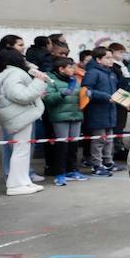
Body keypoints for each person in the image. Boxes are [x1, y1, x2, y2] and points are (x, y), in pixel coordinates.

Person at [0, 43, 49, 196]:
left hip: (16, 115)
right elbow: (20, 95)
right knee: (21, 150)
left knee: (21, 150)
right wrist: (39, 81)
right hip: (20, 115)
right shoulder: (15, 73)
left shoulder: (3, 74)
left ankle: (23, 181)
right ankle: (16, 184)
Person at [43, 56, 88, 186]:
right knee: (61, 146)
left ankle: (72, 170)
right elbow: (48, 99)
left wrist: (86, 95)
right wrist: (62, 94)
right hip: (60, 118)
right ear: (61, 69)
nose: (73, 69)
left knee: (73, 146)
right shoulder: (51, 81)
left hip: (76, 115)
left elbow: (78, 95)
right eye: (70, 67)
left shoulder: (74, 80)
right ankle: (60, 174)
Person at [81, 47, 122, 177]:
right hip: (97, 111)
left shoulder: (110, 73)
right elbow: (86, 90)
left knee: (109, 139)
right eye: (108, 58)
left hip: (110, 111)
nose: (111, 60)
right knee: (98, 141)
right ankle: (96, 165)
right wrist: (106, 97)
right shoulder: (93, 72)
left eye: (111, 57)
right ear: (98, 59)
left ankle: (108, 162)